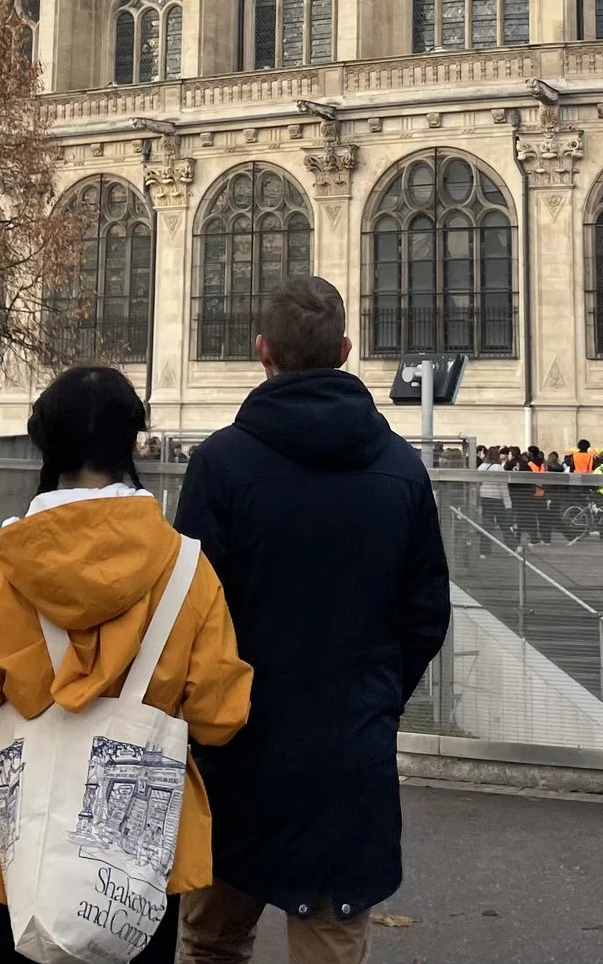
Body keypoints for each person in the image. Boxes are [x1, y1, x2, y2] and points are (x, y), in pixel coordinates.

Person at [0, 366, 252, 963]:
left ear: (46, 446)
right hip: (139, 860)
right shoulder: (188, 574)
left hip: (14, 850)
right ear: (134, 443)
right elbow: (220, 715)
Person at [173, 277, 450, 963]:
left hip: (236, 748)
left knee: (213, 941)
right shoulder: (400, 468)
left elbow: (190, 613)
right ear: (348, 350)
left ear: (261, 350)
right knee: (331, 943)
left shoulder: (221, 463)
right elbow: (426, 615)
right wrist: (379, 695)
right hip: (347, 754)